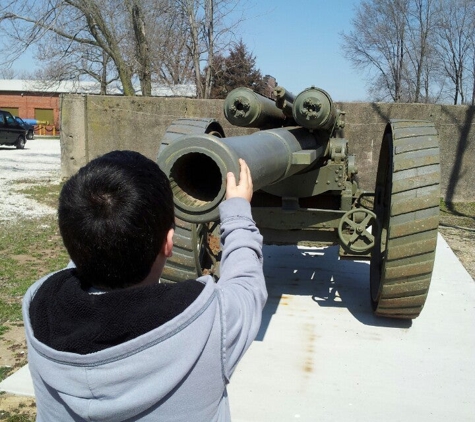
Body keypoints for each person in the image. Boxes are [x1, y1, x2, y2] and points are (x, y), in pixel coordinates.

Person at [22, 150, 267, 421]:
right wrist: (237, 212)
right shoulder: (211, 321)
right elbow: (247, 283)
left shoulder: (39, 308)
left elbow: (86, 249)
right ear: (169, 242)